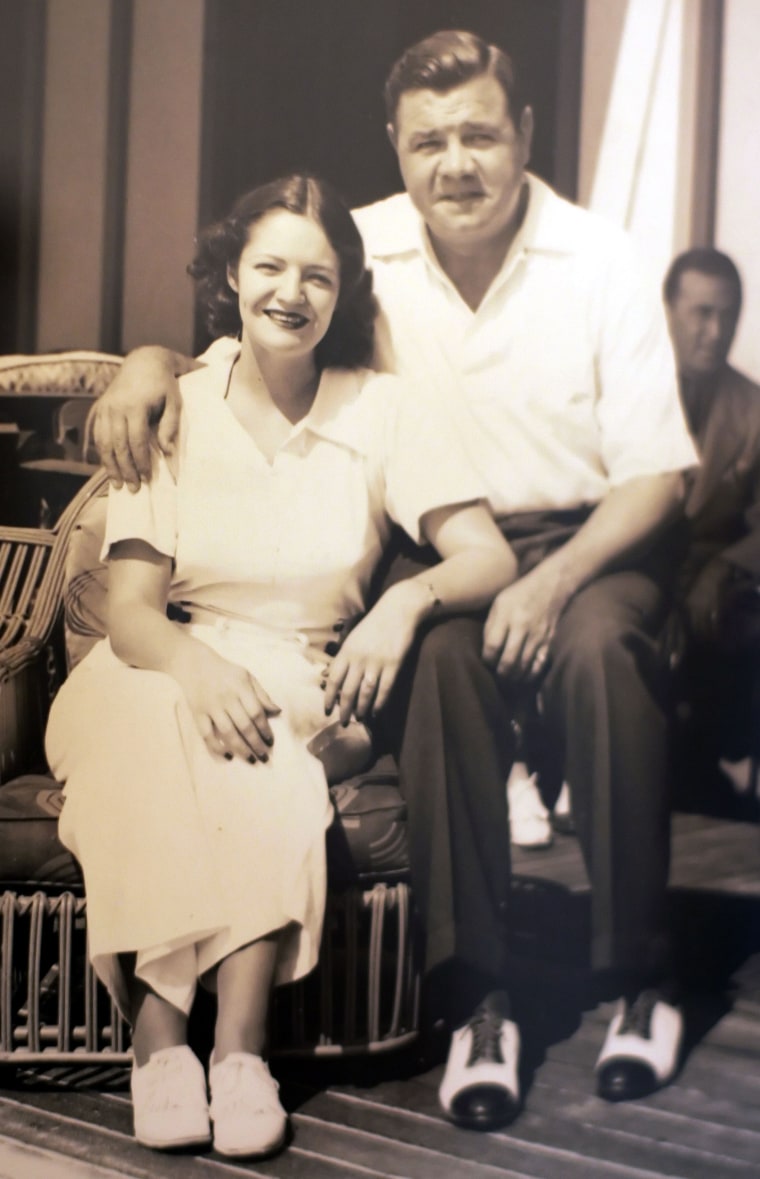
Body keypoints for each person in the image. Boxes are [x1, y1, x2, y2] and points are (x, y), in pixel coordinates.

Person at [88, 31, 697, 1128]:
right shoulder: (348, 246)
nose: (453, 163)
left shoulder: (601, 259)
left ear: (523, 134)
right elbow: (227, 341)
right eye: (427, 141)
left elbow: (656, 477)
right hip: (445, 546)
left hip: (586, 534)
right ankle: (477, 1000)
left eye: (477, 134)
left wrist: (542, 585)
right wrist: (136, 367)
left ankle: (635, 977)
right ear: (395, 147)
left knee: (604, 656)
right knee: (442, 673)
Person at [46, 173, 517, 1159]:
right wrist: (196, 668)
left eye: (318, 275)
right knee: (156, 724)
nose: (290, 293)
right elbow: (131, 611)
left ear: (342, 294)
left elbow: (486, 554)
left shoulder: (381, 411)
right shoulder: (171, 404)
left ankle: (239, 1052)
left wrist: (402, 601)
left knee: (258, 742)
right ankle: (160, 1040)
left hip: (294, 670)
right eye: (269, 266)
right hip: (153, 657)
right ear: (231, 274)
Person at [664, 248, 760, 792]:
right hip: (638, 573)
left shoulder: (753, 407)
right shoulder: (634, 393)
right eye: (702, 313)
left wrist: (722, 569)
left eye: (728, 315)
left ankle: (720, 776)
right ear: (670, 312)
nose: (715, 331)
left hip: (716, 585)